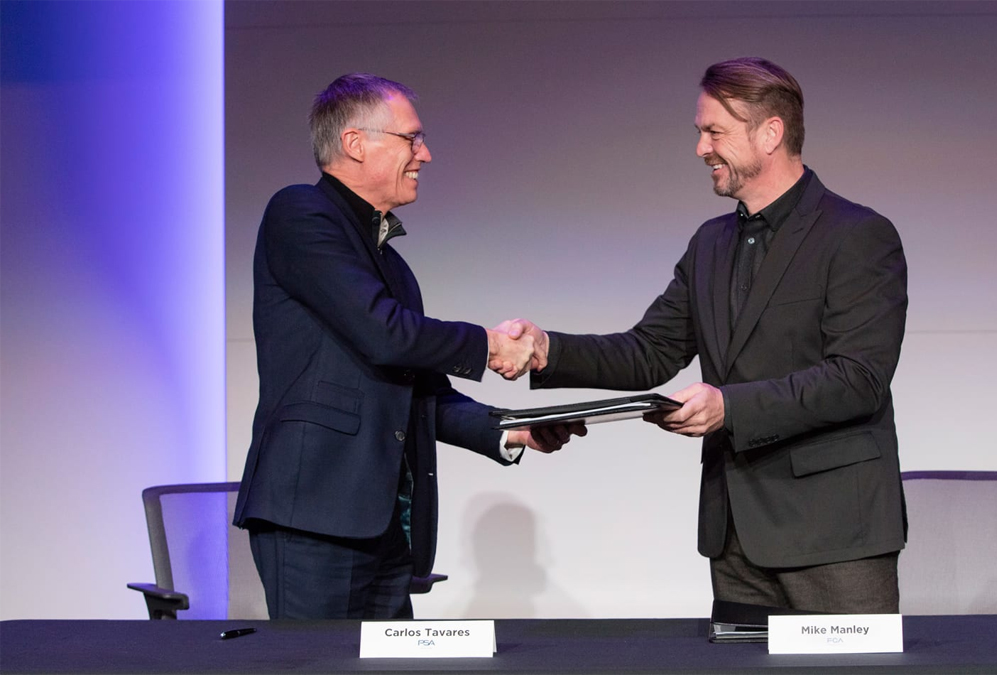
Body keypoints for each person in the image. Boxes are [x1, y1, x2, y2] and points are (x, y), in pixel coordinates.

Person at [503, 57, 908, 613]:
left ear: (770, 133)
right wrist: (547, 349)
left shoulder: (857, 235)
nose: (701, 148)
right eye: (700, 132)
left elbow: (857, 379)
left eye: (715, 132)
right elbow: (650, 351)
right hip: (735, 536)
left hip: (835, 535)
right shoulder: (710, 244)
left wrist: (728, 407)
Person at [233, 73, 583, 620]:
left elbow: (423, 393)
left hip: (385, 525)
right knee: (319, 662)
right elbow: (384, 332)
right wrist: (489, 345)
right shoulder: (300, 212)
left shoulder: (393, 267)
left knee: (392, 661)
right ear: (355, 143)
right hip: (313, 514)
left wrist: (513, 429)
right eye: (412, 138)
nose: (425, 153)